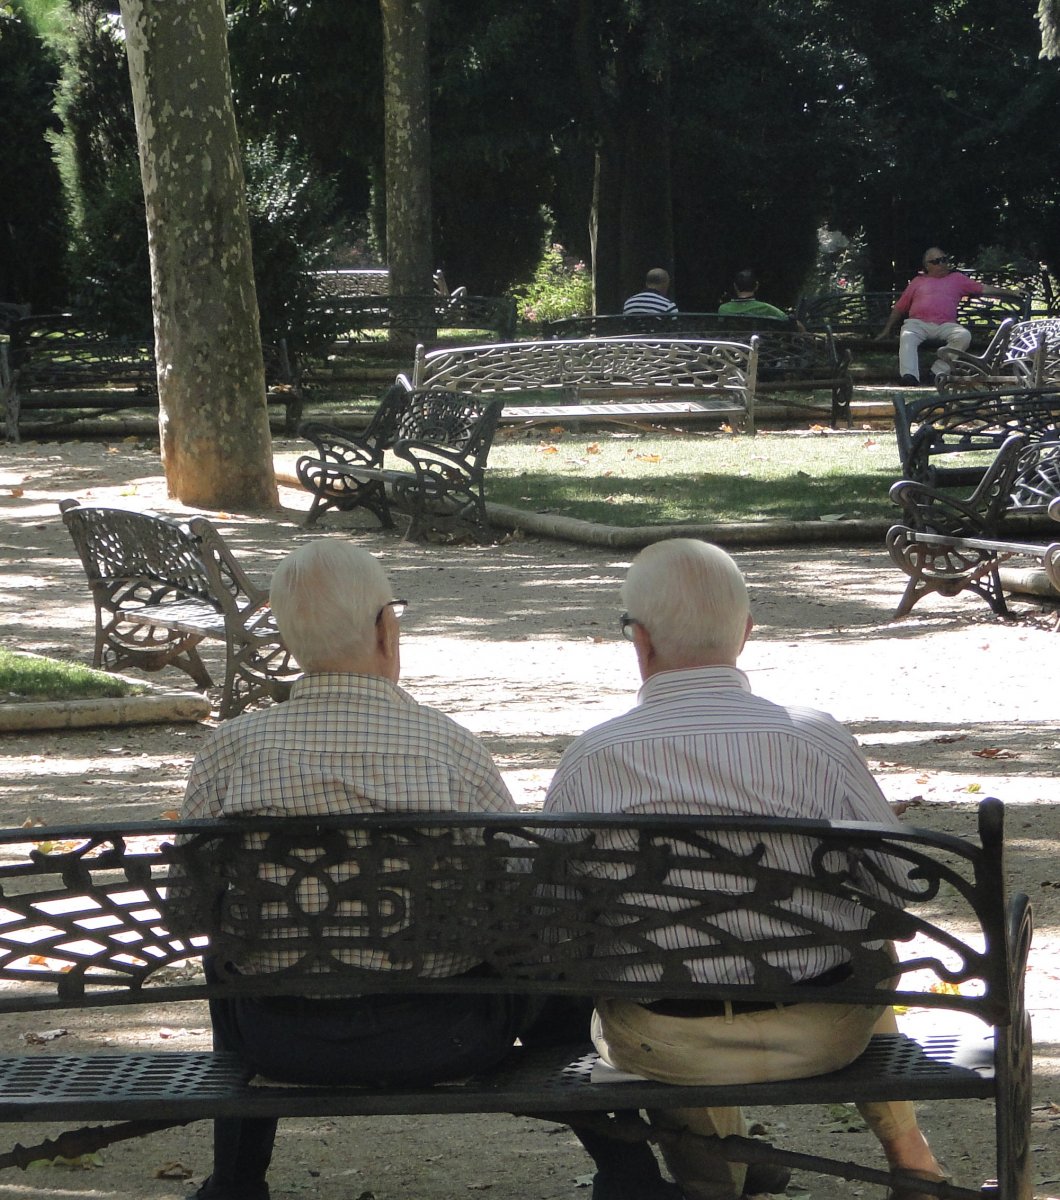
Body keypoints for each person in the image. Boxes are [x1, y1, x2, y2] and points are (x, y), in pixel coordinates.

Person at [179, 541, 683, 1200]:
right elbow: (526, 913)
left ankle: (238, 1183)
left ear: (286, 634)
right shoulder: (450, 750)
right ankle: (629, 1175)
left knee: (228, 962)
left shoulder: (228, 752)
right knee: (557, 972)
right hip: (445, 1035)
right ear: (386, 630)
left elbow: (188, 908)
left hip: (280, 1039)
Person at [544, 539, 946, 1200]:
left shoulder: (592, 758)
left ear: (639, 642)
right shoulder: (813, 738)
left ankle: (715, 1180)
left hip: (667, 1043)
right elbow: (901, 884)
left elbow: (554, 917)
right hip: (827, 1030)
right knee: (864, 938)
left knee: (654, 979)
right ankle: (910, 1155)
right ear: (747, 634)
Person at [877, 247, 1023, 386]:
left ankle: (937, 372)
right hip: (918, 323)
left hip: (945, 324)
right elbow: (900, 307)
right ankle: (909, 376)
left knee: (963, 335)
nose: (942, 264)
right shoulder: (917, 282)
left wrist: (1012, 293)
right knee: (907, 336)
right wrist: (887, 330)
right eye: (936, 261)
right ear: (927, 266)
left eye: (944, 259)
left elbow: (983, 288)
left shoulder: (957, 279)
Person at [717, 269, 793, 323]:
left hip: (731, 345)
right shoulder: (766, 308)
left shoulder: (723, 309)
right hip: (757, 344)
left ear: (735, 286)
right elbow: (790, 321)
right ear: (756, 286)